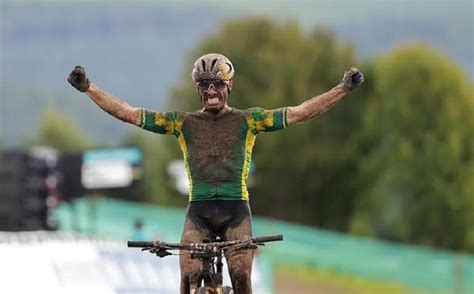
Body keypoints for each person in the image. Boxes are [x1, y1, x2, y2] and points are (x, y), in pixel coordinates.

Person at [67, 53, 364, 293]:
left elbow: (299, 113)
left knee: (240, 274)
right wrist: (88, 88)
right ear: (197, 89)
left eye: (218, 84)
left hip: (237, 211)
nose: (211, 91)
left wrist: (343, 89)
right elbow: (129, 113)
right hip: (199, 212)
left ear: (229, 86)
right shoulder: (180, 123)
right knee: (189, 274)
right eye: (205, 84)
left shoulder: (250, 120)